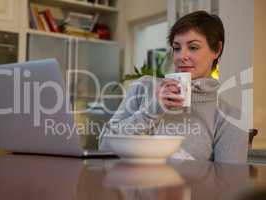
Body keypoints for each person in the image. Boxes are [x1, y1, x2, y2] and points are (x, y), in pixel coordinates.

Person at [99, 11, 248, 163]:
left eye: (193, 47)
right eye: (177, 48)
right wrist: (149, 112)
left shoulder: (230, 117)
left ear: (216, 49)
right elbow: (103, 147)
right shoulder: (143, 87)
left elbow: (228, 182)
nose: (181, 56)